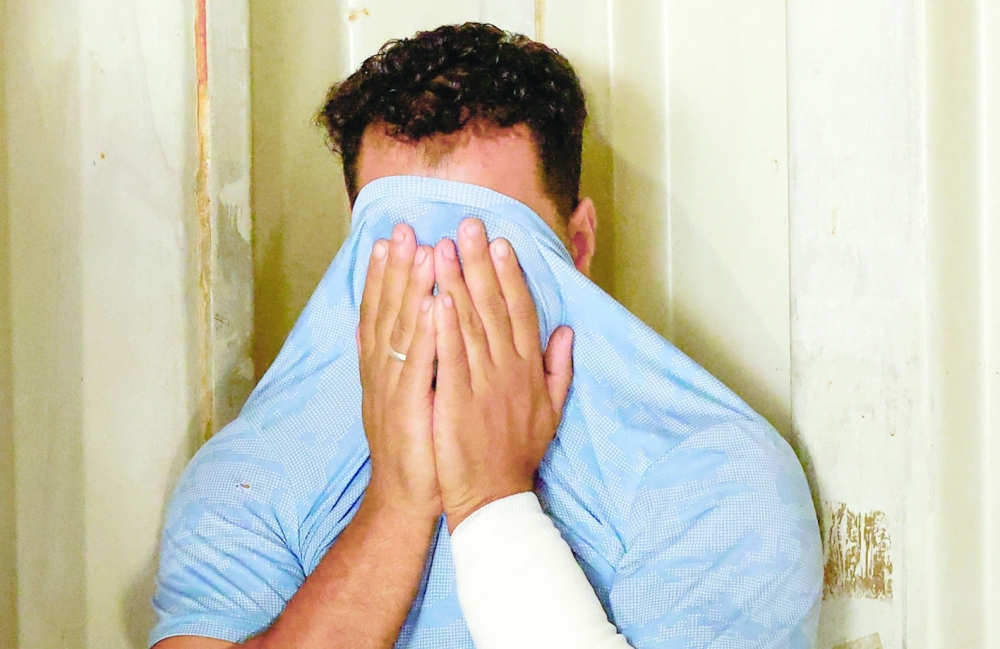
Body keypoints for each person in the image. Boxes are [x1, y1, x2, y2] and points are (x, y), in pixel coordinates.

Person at [149, 23, 823, 649]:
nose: (445, 305)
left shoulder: (711, 479)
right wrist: (395, 506)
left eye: (488, 265)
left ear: (576, 245)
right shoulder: (255, 476)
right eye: (404, 259)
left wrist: (493, 505)